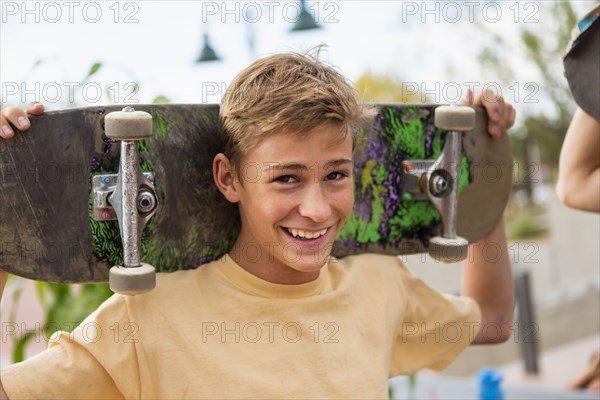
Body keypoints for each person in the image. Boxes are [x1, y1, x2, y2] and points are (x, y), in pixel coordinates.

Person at [0, 52, 516, 399]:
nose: (317, 208)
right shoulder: (147, 318)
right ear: (229, 178)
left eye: (335, 174)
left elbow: (492, 321)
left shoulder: (377, 285)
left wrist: (484, 172)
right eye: (287, 178)